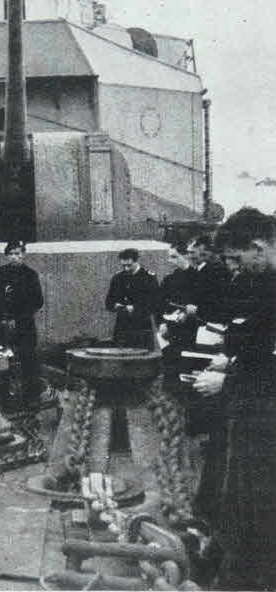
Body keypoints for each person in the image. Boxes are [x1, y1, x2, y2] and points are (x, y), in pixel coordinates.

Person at [192, 208, 276, 590]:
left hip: (264, 410)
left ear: (258, 247)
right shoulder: (267, 282)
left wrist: (225, 381)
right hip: (254, 403)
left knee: (257, 504)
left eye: (238, 259)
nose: (237, 269)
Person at [0, 240, 44, 410]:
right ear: (6, 255)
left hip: (24, 325)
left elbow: (38, 301)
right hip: (2, 323)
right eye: (11, 254)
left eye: (18, 253)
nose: (15, 257)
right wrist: (0, 319)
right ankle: (3, 397)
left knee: (28, 359)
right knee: (2, 359)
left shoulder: (30, 275)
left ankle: (31, 397)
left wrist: (19, 318)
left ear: (24, 254)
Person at [105, 248, 159, 349]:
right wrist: (116, 305)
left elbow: (154, 303)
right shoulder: (117, 278)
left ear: (136, 261)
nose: (126, 269)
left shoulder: (148, 278)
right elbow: (109, 302)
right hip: (122, 327)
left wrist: (135, 308)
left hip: (141, 327)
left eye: (129, 265)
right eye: (123, 265)